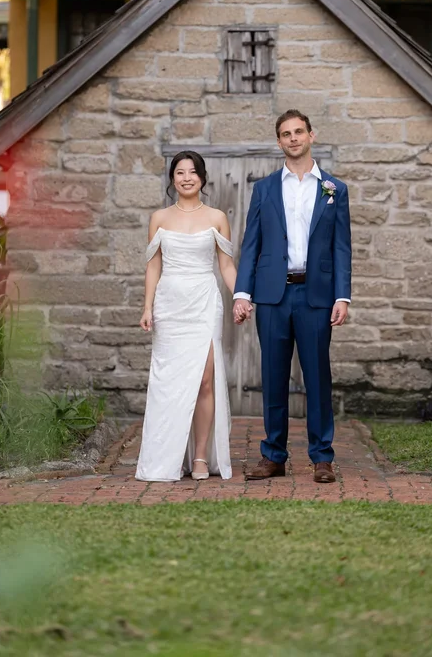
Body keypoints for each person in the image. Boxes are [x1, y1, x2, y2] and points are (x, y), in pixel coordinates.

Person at [233, 110, 351, 483]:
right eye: (286, 134)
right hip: (272, 296)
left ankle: (322, 458)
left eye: (299, 131)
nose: (293, 138)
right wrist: (242, 292)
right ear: (279, 142)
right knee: (273, 376)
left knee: (317, 377)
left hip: (316, 295)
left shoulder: (334, 188)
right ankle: (274, 456)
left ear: (311, 136)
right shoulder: (264, 189)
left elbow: (342, 247)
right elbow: (251, 244)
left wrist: (342, 296)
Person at [135, 151, 236, 482]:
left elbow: (225, 265)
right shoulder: (159, 218)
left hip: (205, 302)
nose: (187, 177)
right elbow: (154, 265)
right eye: (180, 172)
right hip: (170, 304)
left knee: (205, 379)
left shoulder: (218, 217)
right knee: (171, 383)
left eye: (193, 172)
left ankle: (201, 457)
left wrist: (241, 296)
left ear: (203, 178)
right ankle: (168, 455)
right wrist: (148, 306)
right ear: (172, 179)